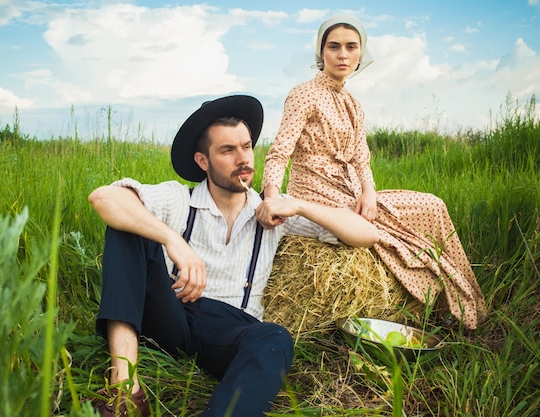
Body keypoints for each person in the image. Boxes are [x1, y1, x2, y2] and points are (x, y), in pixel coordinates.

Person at [88, 94, 379, 417]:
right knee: (128, 226)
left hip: (228, 328)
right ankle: (125, 389)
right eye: (227, 150)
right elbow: (104, 198)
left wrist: (299, 205)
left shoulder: (273, 212)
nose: (243, 159)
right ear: (203, 161)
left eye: (246, 146)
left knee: (275, 338)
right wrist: (172, 240)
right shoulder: (178, 198)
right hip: (169, 313)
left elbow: (367, 234)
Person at [259, 14, 486, 330]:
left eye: (351, 47)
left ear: (360, 53)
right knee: (395, 235)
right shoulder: (304, 93)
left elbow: (362, 160)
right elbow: (279, 151)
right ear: (321, 52)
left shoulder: (353, 103)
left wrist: (369, 193)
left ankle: (461, 304)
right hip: (317, 193)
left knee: (432, 205)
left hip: (352, 190)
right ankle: (447, 308)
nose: (342, 55)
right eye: (334, 46)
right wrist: (272, 198)